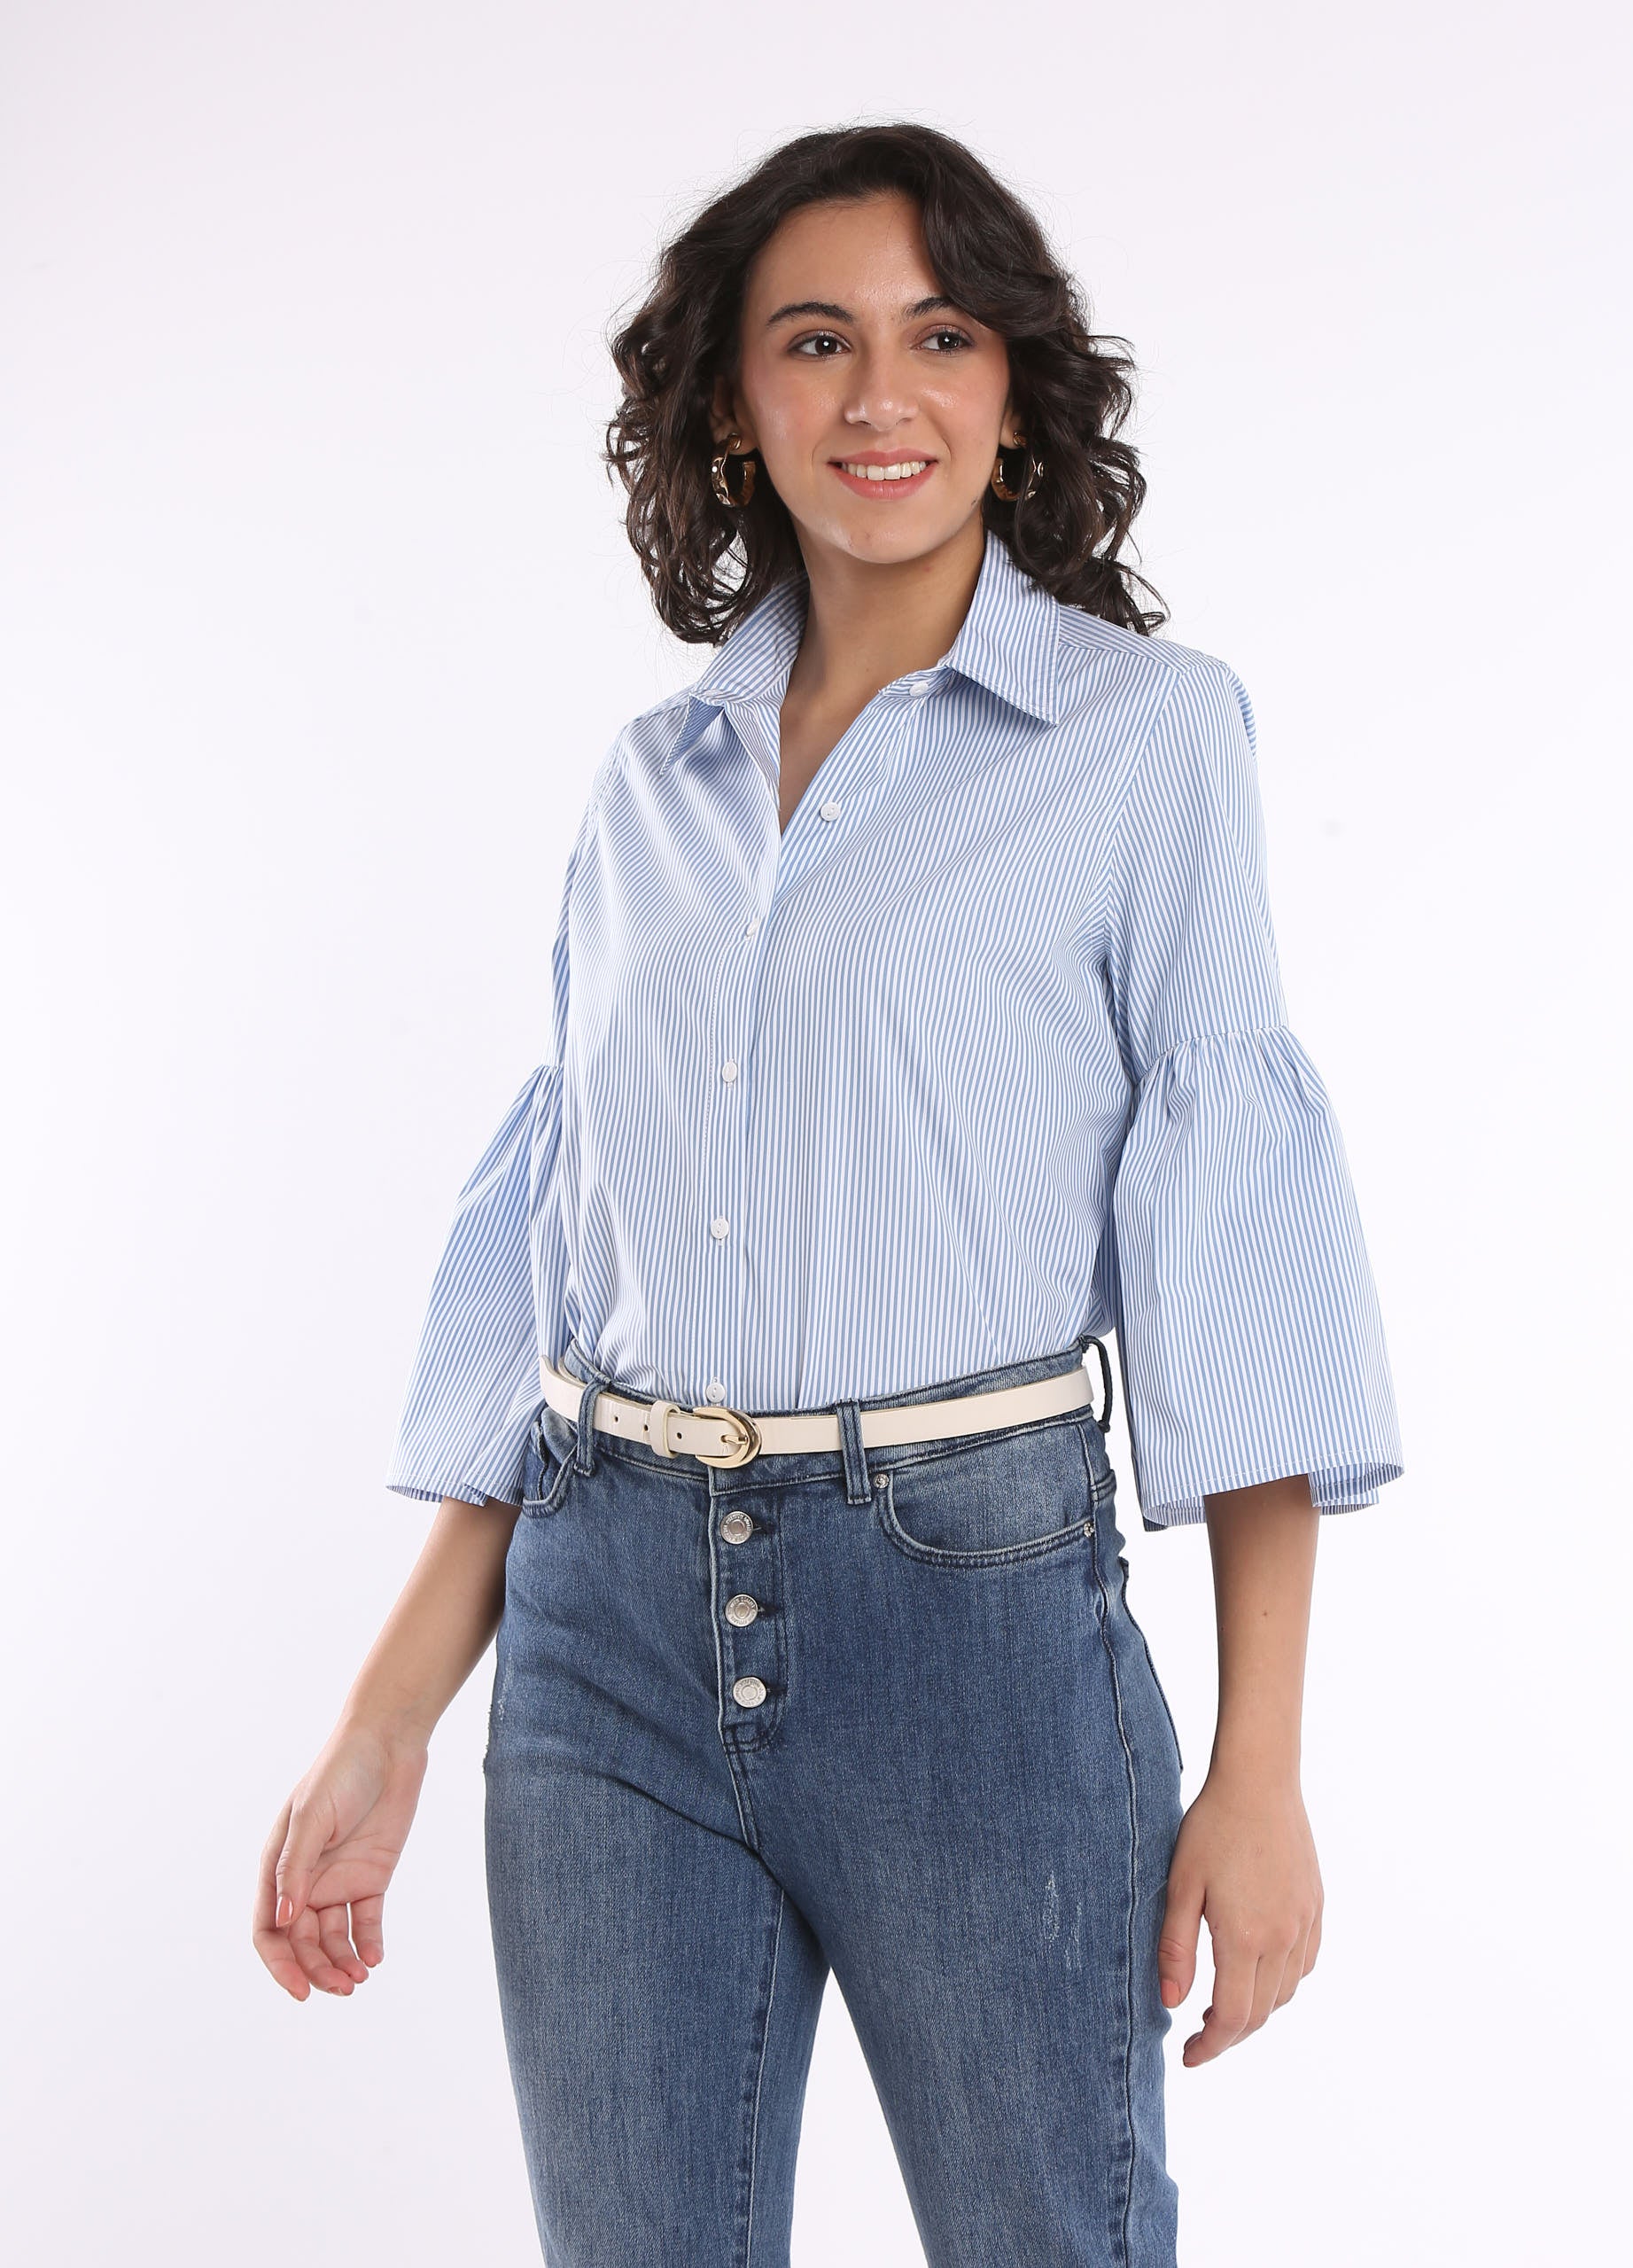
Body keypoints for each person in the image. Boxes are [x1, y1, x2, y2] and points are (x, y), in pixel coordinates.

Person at [254, 122, 1403, 2267]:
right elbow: (562, 1271)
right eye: (815, 341)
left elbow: (1235, 1237)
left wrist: (1262, 1765)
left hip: (973, 1621)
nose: (882, 397)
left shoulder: (1146, 742)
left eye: (939, 337)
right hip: (602, 1633)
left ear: (1016, 390)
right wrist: (381, 1722)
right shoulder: (650, 780)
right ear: (732, 400)